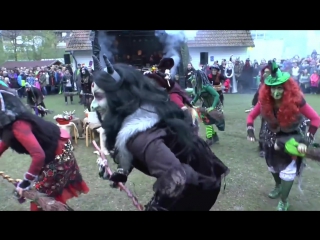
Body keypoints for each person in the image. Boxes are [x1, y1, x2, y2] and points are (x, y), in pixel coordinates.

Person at [94, 56, 229, 211]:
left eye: (98, 96)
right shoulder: (140, 113)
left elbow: (178, 177)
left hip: (199, 184)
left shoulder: (141, 137)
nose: (94, 105)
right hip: (194, 176)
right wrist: (122, 171)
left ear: (117, 96)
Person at [246, 62, 320, 211]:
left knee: (288, 171)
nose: (276, 91)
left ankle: (284, 200)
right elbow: (251, 117)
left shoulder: (297, 100)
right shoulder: (264, 102)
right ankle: (278, 185)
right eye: (273, 87)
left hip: (293, 140)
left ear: (286, 88)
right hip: (270, 140)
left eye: (280, 87)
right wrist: (250, 130)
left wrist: (306, 141)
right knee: (272, 167)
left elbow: (316, 119)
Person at [0, 88, 89, 211]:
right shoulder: (9, 125)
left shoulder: (18, 126)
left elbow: (38, 155)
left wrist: (26, 182)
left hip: (58, 157)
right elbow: (5, 142)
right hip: (54, 155)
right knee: (45, 199)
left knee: (42, 198)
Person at [191, 70, 224, 146]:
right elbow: (198, 95)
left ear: (199, 78)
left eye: (195, 77)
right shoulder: (199, 87)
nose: (193, 79)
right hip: (206, 105)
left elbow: (217, 95)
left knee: (207, 121)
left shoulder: (207, 86)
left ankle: (209, 139)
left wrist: (213, 107)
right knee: (206, 121)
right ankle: (214, 136)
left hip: (213, 105)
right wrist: (193, 102)